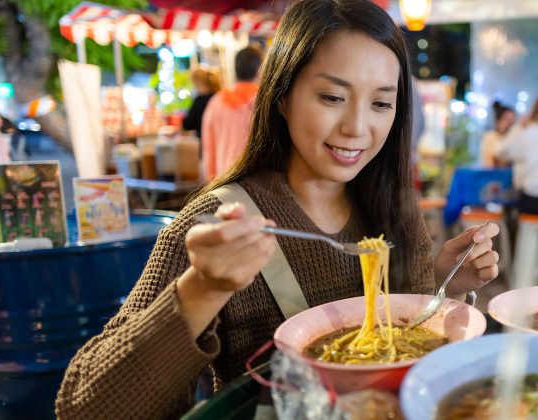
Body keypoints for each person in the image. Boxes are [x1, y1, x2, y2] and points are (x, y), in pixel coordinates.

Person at [55, 1, 500, 418]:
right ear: (282, 97)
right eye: (332, 97)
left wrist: (447, 285)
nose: (357, 127)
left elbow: (413, 347)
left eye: (381, 103)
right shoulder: (218, 224)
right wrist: (203, 288)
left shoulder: (392, 211)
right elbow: (84, 407)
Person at [201, 46, 264, 180]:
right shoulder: (264, 101)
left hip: (223, 182)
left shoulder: (216, 102)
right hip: (258, 182)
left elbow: (208, 150)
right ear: (260, 69)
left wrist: (210, 187)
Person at [182, 67, 222, 138]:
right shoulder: (219, 97)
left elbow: (188, 125)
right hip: (220, 138)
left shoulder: (199, 101)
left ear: (197, 83)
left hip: (206, 140)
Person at [479, 101, 515, 167]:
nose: (510, 124)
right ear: (498, 121)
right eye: (506, 120)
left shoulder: (514, 138)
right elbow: (489, 163)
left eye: (512, 121)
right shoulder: (490, 137)